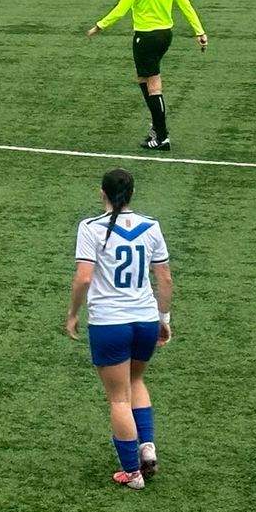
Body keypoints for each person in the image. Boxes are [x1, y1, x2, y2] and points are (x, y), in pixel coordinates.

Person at [64, 169, 172, 490]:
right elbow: (164, 278)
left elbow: (84, 278)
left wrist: (72, 313)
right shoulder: (151, 226)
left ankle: (132, 473)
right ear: (132, 194)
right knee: (136, 380)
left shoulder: (90, 228)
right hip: (144, 320)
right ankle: (146, 447)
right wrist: (163, 319)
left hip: (110, 323)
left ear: (103, 193)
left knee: (117, 399)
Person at [86, 0, 207, 151]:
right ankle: (157, 126)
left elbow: (121, 9)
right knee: (144, 78)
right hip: (165, 36)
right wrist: (199, 31)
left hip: (145, 38)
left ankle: (161, 134)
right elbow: (185, 5)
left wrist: (99, 26)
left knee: (153, 84)